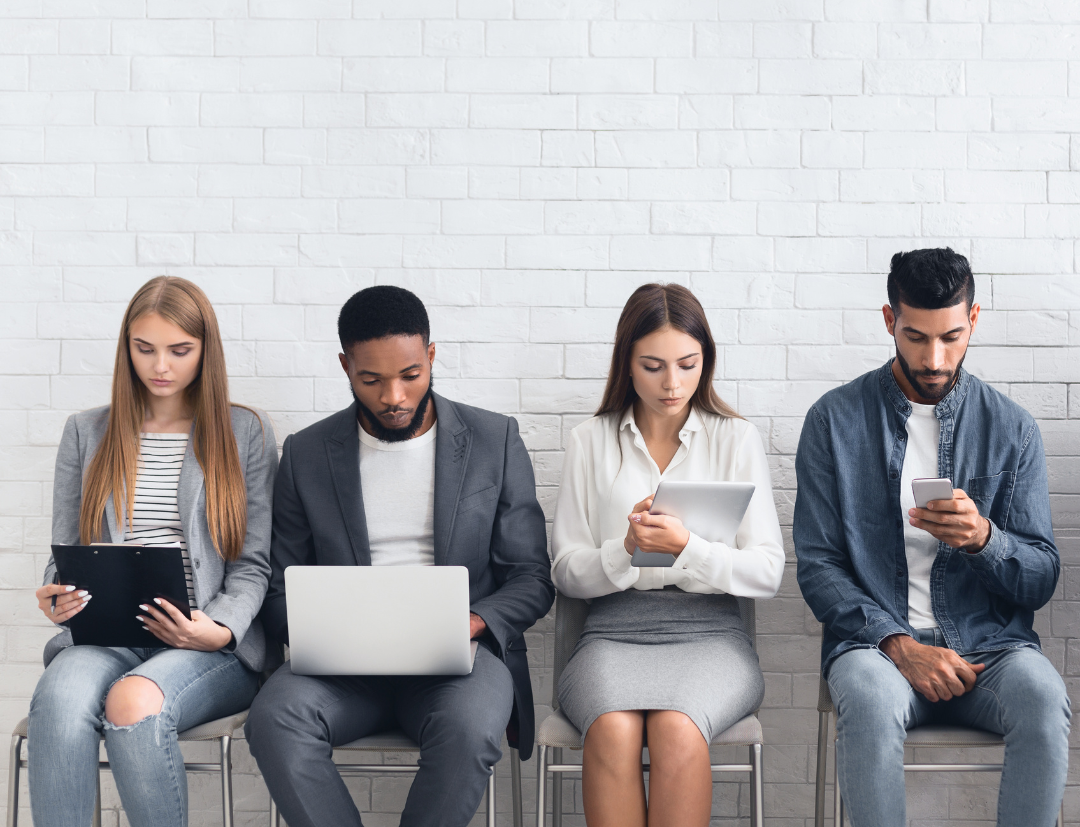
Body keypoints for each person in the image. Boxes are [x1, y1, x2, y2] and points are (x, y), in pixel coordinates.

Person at [246, 285, 554, 827]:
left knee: (469, 728)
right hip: (343, 671)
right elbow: (275, 586)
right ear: (345, 366)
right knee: (274, 719)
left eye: (410, 375)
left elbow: (530, 577)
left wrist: (474, 621)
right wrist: (328, 630)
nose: (394, 396)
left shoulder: (492, 439)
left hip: (457, 664)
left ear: (431, 356)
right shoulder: (307, 453)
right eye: (372, 379)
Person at [794, 247, 1070, 827]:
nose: (934, 358)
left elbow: (1041, 576)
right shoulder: (833, 420)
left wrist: (984, 539)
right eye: (916, 337)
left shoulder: (1011, 427)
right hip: (878, 650)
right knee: (868, 701)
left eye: (950, 336)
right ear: (890, 320)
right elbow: (819, 567)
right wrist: (900, 645)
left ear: (973, 320)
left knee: (1044, 702)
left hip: (990, 649)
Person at [28, 276, 277, 827]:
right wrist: (57, 595)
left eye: (179, 350)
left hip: (205, 644)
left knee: (133, 703)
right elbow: (64, 551)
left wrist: (218, 629)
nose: (160, 365)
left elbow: (254, 565)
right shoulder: (86, 432)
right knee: (59, 701)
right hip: (109, 633)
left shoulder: (245, 432)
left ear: (205, 351)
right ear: (126, 348)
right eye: (144, 349)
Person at [550, 283, 785, 827]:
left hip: (712, 637)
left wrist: (689, 549)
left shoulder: (735, 439)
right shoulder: (590, 440)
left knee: (679, 726)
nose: (673, 383)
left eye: (688, 364)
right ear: (626, 365)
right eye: (653, 366)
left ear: (707, 361)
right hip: (612, 632)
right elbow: (565, 571)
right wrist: (625, 551)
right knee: (611, 727)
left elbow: (767, 572)